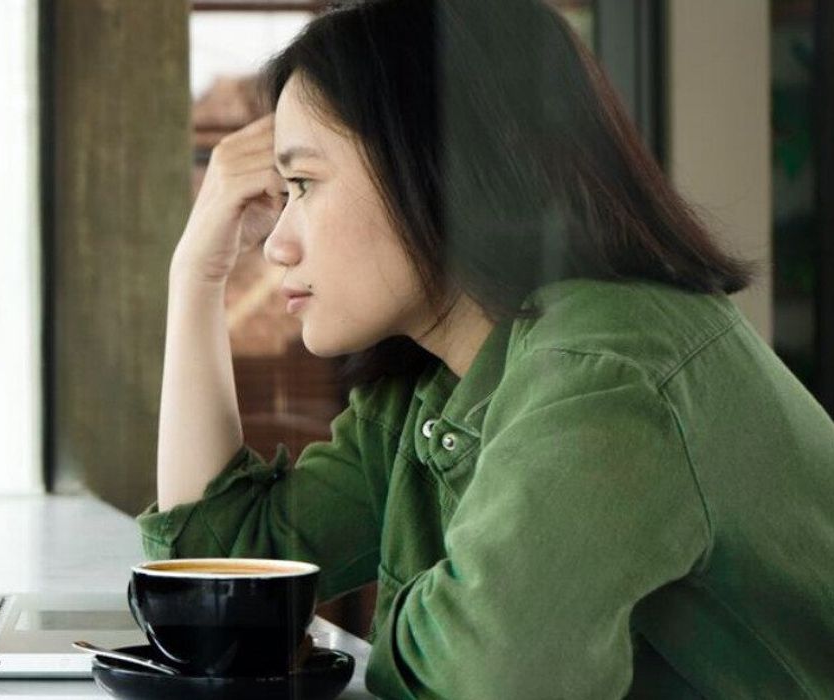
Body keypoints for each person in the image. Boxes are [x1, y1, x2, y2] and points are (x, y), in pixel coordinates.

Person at [137, 0, 834, 697]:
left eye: (305, 185)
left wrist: (425, 606)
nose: (276, 242)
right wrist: (195, 275)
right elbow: (219, 578)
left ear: (439, 165)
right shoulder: (436, 389)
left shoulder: (605, 371)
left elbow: (489, 673)